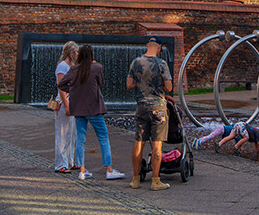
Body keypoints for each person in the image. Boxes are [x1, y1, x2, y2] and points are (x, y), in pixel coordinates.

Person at [57, 44, 125, 181]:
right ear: (92, 54)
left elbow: (61, 85)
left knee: (80, 140)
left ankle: (82, 170)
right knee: (103, 138)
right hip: (94, 108)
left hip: (79, 110)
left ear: (80, 54)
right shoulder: (97, 68)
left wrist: (74, 91)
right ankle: (109, 170)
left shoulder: (74, 69)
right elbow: (101, 84)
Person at [126, 36, 173, 191]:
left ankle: (135, 179)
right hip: (158, 108)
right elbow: (169, 87)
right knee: (156, 145)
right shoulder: (162, 64)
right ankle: (155, 181)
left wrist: (142, 85)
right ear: (159, 47)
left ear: (147, 45)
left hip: (141, 107)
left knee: (139, 142)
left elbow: (129, 84)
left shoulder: (136, 62)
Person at [54, 40, 79, 173]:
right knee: (62, 134)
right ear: (71, 53)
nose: (78, 54)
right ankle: (60, 164)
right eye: (76, 52)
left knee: (72, 134)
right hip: (64, 102)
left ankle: (70, 161)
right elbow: (61, 87)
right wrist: (67, 105)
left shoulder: (71, 66)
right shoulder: (62, 66)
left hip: (72, 101)